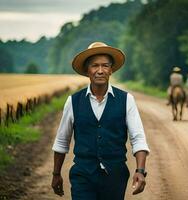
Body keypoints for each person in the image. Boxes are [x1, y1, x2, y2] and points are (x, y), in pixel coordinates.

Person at [51, 42, 150, 200]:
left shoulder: (126, 100)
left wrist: (140, 171)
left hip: (115, 177)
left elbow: (138, 138)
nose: (100, 71)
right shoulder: (73, 101)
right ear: (87, 70)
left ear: (111, 70)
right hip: (82, 175)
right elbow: (62, 141)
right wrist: (56, 174)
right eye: (94, 66)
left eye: (105, 66)